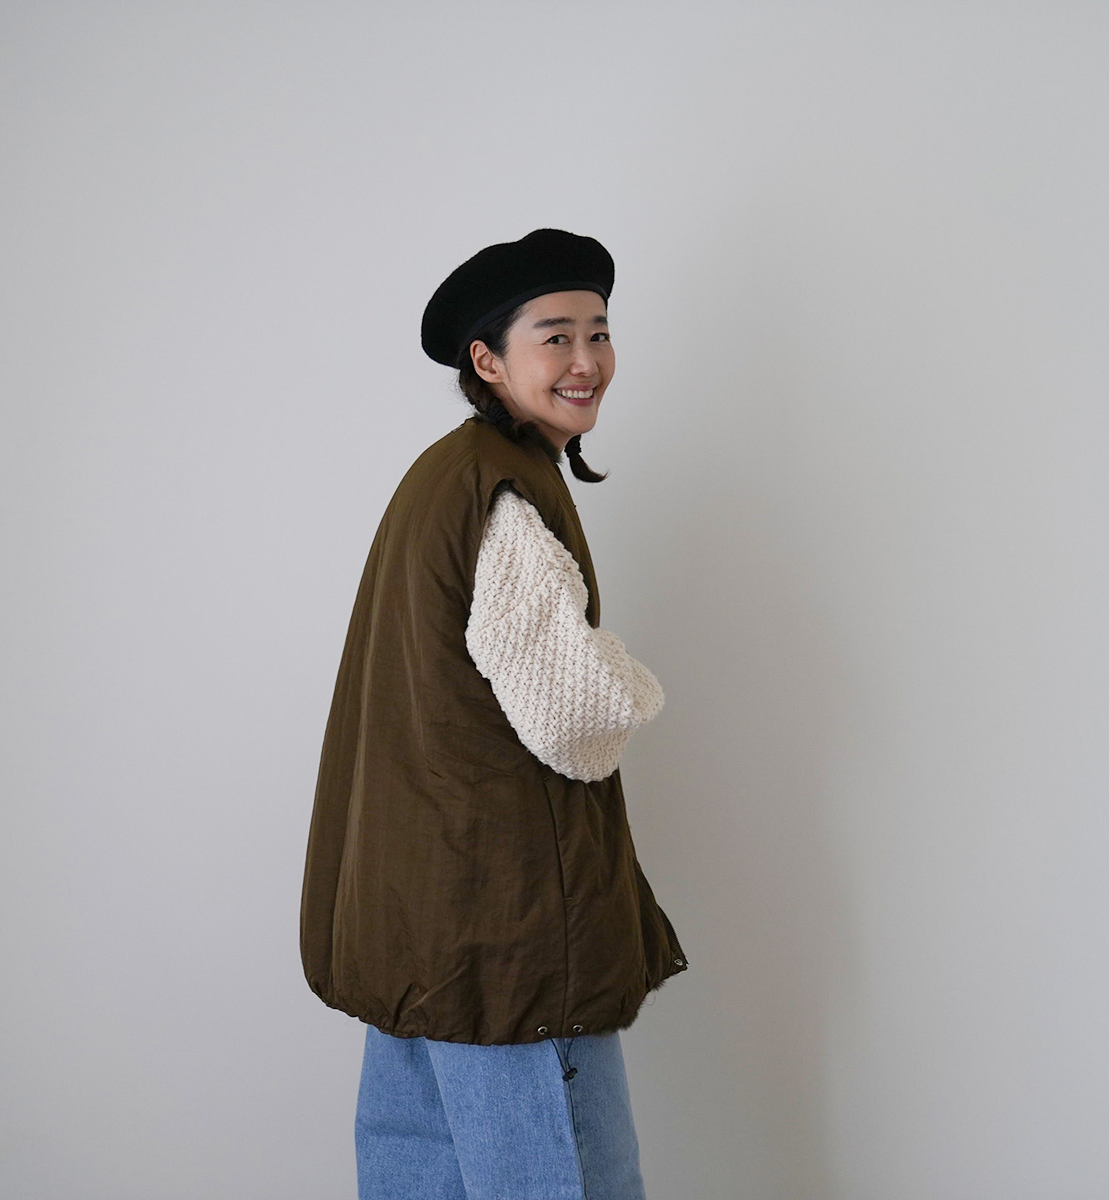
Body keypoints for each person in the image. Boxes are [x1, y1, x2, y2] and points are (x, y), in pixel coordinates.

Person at [299, 228, 690, 1200]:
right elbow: (573, 720)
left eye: (598, 332)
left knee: (420, 1175)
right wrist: (638, 680)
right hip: (507, 944)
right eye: (555, 337)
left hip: (414, 927)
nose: (586, 360)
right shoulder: (504, 494)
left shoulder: (442, 476)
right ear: (488, 360)